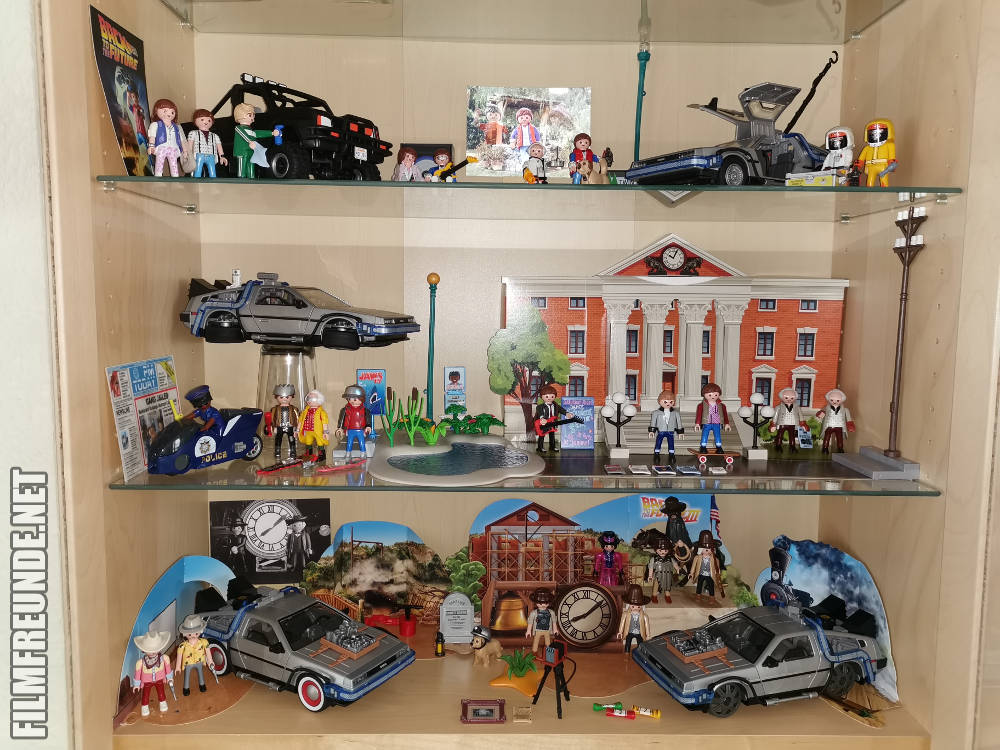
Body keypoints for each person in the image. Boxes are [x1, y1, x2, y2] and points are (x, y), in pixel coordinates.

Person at [131, 628, 174, 717]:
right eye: (149, 650)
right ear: (143, 650)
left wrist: (170, 678)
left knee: (161, 692)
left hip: (159, 679)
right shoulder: (140, 663)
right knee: (145, 694)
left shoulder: (164, 658)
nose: (153, 652)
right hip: (147, 682)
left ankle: (162, 702)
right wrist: (136, 685)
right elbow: (137, 674)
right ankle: (144, 706)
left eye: (155, 649)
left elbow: (168, 669)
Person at [232, 102, 281, 178]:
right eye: (250, 115)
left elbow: (258, 133)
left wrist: (272, 133)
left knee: (251, 167)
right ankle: (241, 181)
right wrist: (250, 141)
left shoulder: (250, 130)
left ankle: (252, 179)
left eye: (253, 115)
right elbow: (243, 134)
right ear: (241, 115)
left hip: (251, 151)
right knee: (242, 170)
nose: (253, 118)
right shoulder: (238, 128)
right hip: (242, 152)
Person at [147, 98, 187, 178]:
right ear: (156, 111)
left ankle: (175, 178)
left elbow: (181, 139)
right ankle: (158, 177)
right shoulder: (156, 124)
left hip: (173, 148)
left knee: (174, 165)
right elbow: (152, 136)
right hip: (161, 147)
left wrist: (185, 150)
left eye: (172, 112)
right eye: (165, 111)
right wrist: (151, 146)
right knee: (159, 164)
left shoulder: (176, 127)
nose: (169, 114)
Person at [187, 108, 228, 178]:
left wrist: (222, 156)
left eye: (209, 120)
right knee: (198, 171)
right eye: (202, 119)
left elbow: (219, 146)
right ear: (195, 120)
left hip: (211, 156)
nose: (206, 122)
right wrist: (189, 155)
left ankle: (213, 183)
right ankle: (197, 182)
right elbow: (190, 145)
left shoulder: (215, 136)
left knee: (213, 173)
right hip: (199, 155)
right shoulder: (193, 133)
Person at [175, 615, 211, 696]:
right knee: (187, 675)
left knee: (200, 673)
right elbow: (179, 656)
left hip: (199, 661)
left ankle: (202, 684)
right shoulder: (182, 646)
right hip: (188, 663)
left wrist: (210, 661)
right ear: (185, 634)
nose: (193, 636)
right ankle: (186, 687)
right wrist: (178, 667)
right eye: (190, 634)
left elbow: (208, 652)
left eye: (196, 633)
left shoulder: (204, 642)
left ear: (200, 631)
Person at [533, 384, 574, 453]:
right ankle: (540, 447)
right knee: (542, 435)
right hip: (544, 423)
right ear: (542, 397)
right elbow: (540, 413)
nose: (549, 398)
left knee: (552, 435)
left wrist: (567, 413)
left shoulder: (556, 406)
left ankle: (552, 447)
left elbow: (561, 410)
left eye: (552, 396)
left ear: (555, 396)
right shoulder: (540, 406)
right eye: (546, 396)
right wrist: (542, 418)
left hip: (552, 422)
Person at [694, 382, 731, 454]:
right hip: (707, 423)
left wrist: (727, 423)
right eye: (710, 395)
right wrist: (697, 423)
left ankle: (719, 447)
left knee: (717, 435)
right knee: (705, 434)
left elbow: (725, 415)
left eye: (716, 395)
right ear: (704, 395)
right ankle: (703, 447)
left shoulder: (722, 406)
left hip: (717, 423)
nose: (713, 397)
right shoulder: (701, 405)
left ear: (719, 395)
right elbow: (699, 415)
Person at [815, 388, 856, 454]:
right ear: (829, 399)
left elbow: (848, 418)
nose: (834, 402)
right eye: (832, 400)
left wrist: (850, 425)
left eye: (837, 400)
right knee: (827, 437)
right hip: (829, 425)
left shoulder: (845, 410)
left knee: (840, 438)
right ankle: (825, 448)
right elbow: (821, 414)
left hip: (839, 426)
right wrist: (820, 416)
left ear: (841, 400)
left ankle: (840, 448)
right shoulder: (826, 408)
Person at [688, 530, 725, 601]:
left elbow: (717, 567)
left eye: (709, 549)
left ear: (712, 550)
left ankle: (712, 597)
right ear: (700, 549)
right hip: (701, 574)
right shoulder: (697, 558)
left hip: (709, 575)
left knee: (711, 585)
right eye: (704, 549)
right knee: (699, 584)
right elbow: (693, 566)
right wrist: (691, 573)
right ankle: (698, 594)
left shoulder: (714, 559)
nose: (707, 550)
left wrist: (718, 573)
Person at [266, 384, 299, 461]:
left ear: (292, 397)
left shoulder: (294, 409)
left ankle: (293, 451)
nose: (284, 399)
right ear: (276, 397)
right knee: (278, 439)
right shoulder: (274, 409)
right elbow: (272, 418)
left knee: (291, 439)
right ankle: (277, 451)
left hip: (290, 427)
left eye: (287, 397)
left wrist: (296, 428)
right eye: (281, 397)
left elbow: (297, 418)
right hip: (279, 427)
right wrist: (273, 427)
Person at [648, 389, 683, 461]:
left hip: (671, 431)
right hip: (661, 431)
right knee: (658, 442)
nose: (668, 403)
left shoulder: (675, 413)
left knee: (671, 443)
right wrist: (652, 431)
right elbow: (653, 422)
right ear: (660, 401)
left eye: (671, 402)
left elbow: (679, 422)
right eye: (665, 402)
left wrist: (680, 432)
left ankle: (671, 455)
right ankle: (657, 454)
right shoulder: (656, 413)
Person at [337, 385, 372, 455]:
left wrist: (368, 426)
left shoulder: (365, 410)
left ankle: (363, 453)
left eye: (355, 399)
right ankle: (348, 453)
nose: (352, 401)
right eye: (350, 399)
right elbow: (341, 419)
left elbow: (368, 419)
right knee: (349, 442)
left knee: (362, 442)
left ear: (361, 399)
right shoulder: (345, 410)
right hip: (350, 430)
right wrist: (340, 428)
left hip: (360, 430)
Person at [770, 387, 806, 453]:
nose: (789, 400)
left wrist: (803, 423)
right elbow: (775, 416)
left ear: (795, 398)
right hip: (782, 423)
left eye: (792, 398)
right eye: (786, 398)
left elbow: (800, 415)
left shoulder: (797, 407)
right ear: (782, 397)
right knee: (780, 435)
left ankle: (792, 446)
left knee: (792, 435)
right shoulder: (778, 407)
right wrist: (773, 424)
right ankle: (778, 445)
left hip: (792, 423)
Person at [297, 389, 330, 462]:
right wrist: (297, 430)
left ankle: (322, 455)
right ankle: (309, 454)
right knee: (308, 442)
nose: (309, 400)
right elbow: (300, 421)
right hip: (307, 431)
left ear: (319, 400)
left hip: (318, 431)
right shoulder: (305, 411)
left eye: (312, 399)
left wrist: (325, 432)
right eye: (308, 398)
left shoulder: (322, 412)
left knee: (320, 443)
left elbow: (325, 423)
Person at [617, 584, 650, 653]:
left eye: (638, 607)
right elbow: (622, 623)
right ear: (629, 605)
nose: (635, 608)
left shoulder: (644, 616)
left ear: (642, 606)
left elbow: (647, 626)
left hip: (639, 633)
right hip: (629, 632)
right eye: (633, 606)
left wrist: (648, 634)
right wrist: (620, 632)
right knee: (627, 643)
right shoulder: (625, 614)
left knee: (640, 644)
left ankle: (640, 653)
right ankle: (626, 653)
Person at [646, 538, 674, 604]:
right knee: (656, 585)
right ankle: (654, 595)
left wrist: (678, 568)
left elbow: (674, 564)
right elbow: (651, 567)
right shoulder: (654, 559)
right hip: (657, 575)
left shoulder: (669, 558)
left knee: (667, 585)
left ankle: (667, 595)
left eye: (665, 550)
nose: (663, 552)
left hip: (667, 575)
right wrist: (650, 575)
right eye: (660, 550)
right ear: (656, 550)